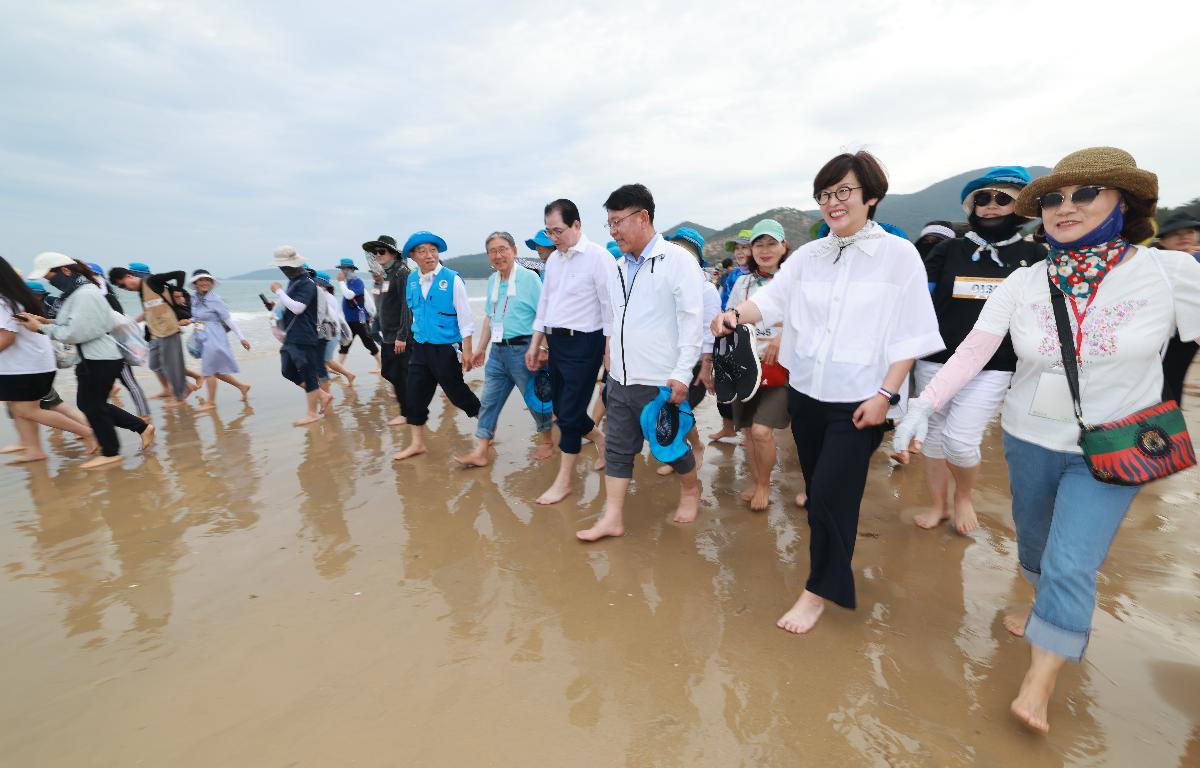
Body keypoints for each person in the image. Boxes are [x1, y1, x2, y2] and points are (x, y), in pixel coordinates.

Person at [893, 146, 1200, 734]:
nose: (1064, 207)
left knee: (1070, 560)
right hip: (1029, 437)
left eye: (1085, 194)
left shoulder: (1167, 273)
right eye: (1054, 198)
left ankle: (1040, 677)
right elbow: (978, 348)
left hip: (1115, 446)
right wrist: (921, 406)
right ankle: (1039, 598)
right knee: (1034, 545)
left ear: (1123, 203)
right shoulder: (1028, 279)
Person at [712, 150, 942, 635]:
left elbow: (911, 333)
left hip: (862, 399)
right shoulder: (811, 256)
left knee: (833, 494)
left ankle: (818, 591)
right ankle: (830, 572)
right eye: (825, 194)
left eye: (844, 192)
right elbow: (771, 300)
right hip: (807, 394)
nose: (833, 203)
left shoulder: (898, 256)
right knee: (820, 491)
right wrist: (736, 316)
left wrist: (886, 394)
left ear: (871, 196)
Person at [909, 167, 1046, 533]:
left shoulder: (1035, 256)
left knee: (961, 438)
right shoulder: (948, 249)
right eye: (981, 199)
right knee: (935, 436)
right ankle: (938, 503)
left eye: (1002, 199)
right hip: (936, 359)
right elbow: (918, 300)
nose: (989, 206)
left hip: (995, 365)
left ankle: (964, 495)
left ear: (1021, 209)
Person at [575, 184, 703, 542]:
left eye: (618, 222)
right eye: (609, 224)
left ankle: (691, 492)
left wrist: (681, 375)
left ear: (643, 217)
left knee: (671, 448)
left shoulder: (678, 261)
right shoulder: (616, 268)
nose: (613, 231)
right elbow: (614, 320)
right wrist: (609, 362)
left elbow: (692, 321)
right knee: (617, 448)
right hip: (621, 379)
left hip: (661, 381)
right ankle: (612, 517)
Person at [22, 253, 155, 468]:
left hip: (101, 358)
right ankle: (140, 428)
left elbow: (77, 332)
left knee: (92, 406)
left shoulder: (85, 294)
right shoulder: (80, 292)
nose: (49, 282)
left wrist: (41, 328)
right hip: (94, 357)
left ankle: (111, 452)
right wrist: (46, 320)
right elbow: (78, 322)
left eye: (49, 277)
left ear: (65, 271)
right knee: (90, 404)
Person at [525, 199, 617, 504]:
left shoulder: (598, 258)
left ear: (577, 225)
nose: (554, 238)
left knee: (569, 414)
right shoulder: (553, 261)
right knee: (561, 409)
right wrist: (536, 342)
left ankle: (563, 481)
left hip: (586, 343)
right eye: (549, 232)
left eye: (559, 231)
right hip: (557, 343)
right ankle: (600, 439)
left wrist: (608, 352)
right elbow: (545, 306)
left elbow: (609, 310)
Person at [454, 232, 553, 467]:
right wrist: (481, 348)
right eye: (492, 251)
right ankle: (480, 450)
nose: (498, 255)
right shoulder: (492, 281)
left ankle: (547, 440)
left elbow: (545, 315)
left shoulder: (529, 278)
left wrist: (543, 348)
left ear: (514, 251)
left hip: (525, 350)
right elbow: (490, 316)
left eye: (502, 249)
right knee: (489, 400)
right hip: (498, 353)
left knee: (535, 399)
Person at [0, 257, 98, 464]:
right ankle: (33, 449)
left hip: (26, 366)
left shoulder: (3, 301)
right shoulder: (15, 296)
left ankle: (88, 432)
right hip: (29, 363)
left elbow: (7, 338)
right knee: (17, 406)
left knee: (25, 409)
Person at [392, 231, 479, 460]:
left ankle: (487, 425)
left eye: (433, 250)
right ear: (412, 256)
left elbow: (466, 318)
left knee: (458, 394)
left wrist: (467, 350)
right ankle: (417, 444)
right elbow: (411, 313)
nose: (429, 255)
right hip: (420, 347)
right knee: (414, 395)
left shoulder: (452, 279)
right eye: (422, 251)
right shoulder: (411, 280)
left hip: (446, 347)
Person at [725, 218, 793, 509]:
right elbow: (731, 317)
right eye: (758, 244)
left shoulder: (794, 279)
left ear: (784, 247)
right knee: (749, 431)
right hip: (746, 368)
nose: (765, 250)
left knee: (763, 431)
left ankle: (765, 485)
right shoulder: (744, 282)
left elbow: (809, 318)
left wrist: (784, 337)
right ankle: (757, 481)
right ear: (751, 250)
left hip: (781, 370)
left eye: (771, 243)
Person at [656, 226, 721, 477]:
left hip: (693, 364)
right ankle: (689, 446)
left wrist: (706, 367)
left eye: (687, 249)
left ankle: (693, 448)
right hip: (667, 361)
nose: (680, 253)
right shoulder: (667, 284)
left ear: (696, 256)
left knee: (679, 408)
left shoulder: (706, 289)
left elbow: (709, 330)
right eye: (677, 247)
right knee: (671, 408)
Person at [108, 263, 194, 408]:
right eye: (121, 288)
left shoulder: (152, 281)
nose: (126, 289)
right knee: (155, 364)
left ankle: (180, 398)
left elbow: (180, 273)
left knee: (172, 365)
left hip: (169, 329)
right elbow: (149, 312)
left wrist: (178, 291)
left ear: (129, 276)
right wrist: (130, 322)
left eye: (123, 285)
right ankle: (184, 387)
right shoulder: (142, 292)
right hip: (156, 333)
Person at [268, 246, 333, 426]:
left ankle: (312, 413)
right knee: (287, 370)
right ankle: (322, 394)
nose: (282, 270)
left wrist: (279, 291)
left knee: (308, 372)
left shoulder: (307, 283)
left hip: (305, 335)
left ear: (290, 266)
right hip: (292, 335)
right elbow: (290, 307)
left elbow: (298, 307)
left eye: (283, 267)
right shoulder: (294, 282)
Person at [364, 235, 413, 426]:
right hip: (388, 335)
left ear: (393, 253)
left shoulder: (402, 273)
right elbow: (385, 303)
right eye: (375, 252)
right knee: (389, 373)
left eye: (381, 251)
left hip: (400, 337)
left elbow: (406, 307)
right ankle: (409, 409)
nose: (377, 255)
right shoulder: (387, 275)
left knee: (401, 374)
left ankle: (408, 411)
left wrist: (402, 335)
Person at [188, 269, 251, 411]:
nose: (204, 283)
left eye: (207, 280)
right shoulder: (194, 299)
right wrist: (188, 320)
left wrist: (242, 338)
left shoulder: (215, 299)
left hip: (214, 336)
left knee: (208, 370)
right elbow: (198, 317)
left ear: (211, 283)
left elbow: (228, 320)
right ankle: (242, 387)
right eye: (201, 280)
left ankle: (211, 402)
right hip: (201, 335)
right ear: (195, 283)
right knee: (215, 371)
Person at [1156, 214, 1200, 403]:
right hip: (1160, 335)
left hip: (1186, 339)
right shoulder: (1151, 263)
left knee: (1174, 380)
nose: (1184, 237)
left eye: (1189, 231)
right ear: (1164, 240)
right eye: (1176, 234)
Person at [334, 257, 381, 372]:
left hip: (360, 320)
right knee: (345, 343)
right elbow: (345, 299)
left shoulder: (357, 281)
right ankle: (338, 368)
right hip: (349, 320)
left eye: (345, 269)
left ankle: (381, 365)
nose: (343, 271)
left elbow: (350, 295)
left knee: (368, 342)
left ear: (352, 269)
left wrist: (340, 283)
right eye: (342, 268)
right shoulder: (347, 283)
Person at [315, 271, 356, 387]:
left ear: (320, 285)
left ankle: (325, 385)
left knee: (324, 359)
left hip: (330, 334)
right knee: (326, 359)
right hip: (332, 333)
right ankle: (347, 375)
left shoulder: (325, 297)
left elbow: (324, 317)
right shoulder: (329, 297)